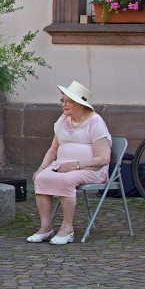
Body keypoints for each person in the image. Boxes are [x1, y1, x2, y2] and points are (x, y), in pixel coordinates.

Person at [27, 81, 112, 246]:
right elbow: (53, 150)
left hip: (92, 169)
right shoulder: (63, 120)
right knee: (41, 178)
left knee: (66, 180)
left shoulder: (95, 122)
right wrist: (41, 168)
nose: (64, 105)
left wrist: (75, 165)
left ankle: (67, 229)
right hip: (62, 166)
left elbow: (103, 158)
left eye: (69, 101)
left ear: (81, 105)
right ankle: (46, 228)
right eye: (62, 100)